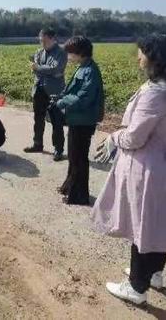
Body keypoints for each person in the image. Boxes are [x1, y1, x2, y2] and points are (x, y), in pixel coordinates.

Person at [91, 34, 166, 305]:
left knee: (143, 224)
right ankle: (154, 274)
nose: (138, 57)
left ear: (154, 58)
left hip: (148, 166)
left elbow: (135, 137)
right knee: (161, 222)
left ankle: (137, 287)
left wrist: (114, 137)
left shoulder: (155, 92)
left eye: (141, 53)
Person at [51, 36, 104, 205]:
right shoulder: (83, 67)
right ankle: (69, 187)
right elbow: (72, 91)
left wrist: (62, 102)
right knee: (74, 157)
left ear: (80, 53)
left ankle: (79, 196)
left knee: (79, 158)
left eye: (70, 53)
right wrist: (60, 97)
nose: (68, 56)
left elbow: (84, 97)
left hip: (84, 121)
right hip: (77, 119)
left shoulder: (90, 71)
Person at [24, 28, 68, 161]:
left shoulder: (61, 52)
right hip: (39, 89)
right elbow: (36, 70)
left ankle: (58, 149)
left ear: (52, 39)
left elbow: (56, 68)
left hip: (54, 92)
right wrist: (45, 70)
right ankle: (37, 144)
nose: (42, 43)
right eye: (40, 40)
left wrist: (39, 68)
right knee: (38, 118)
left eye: (44, 40)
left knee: (56, 121)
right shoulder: (39, 52)